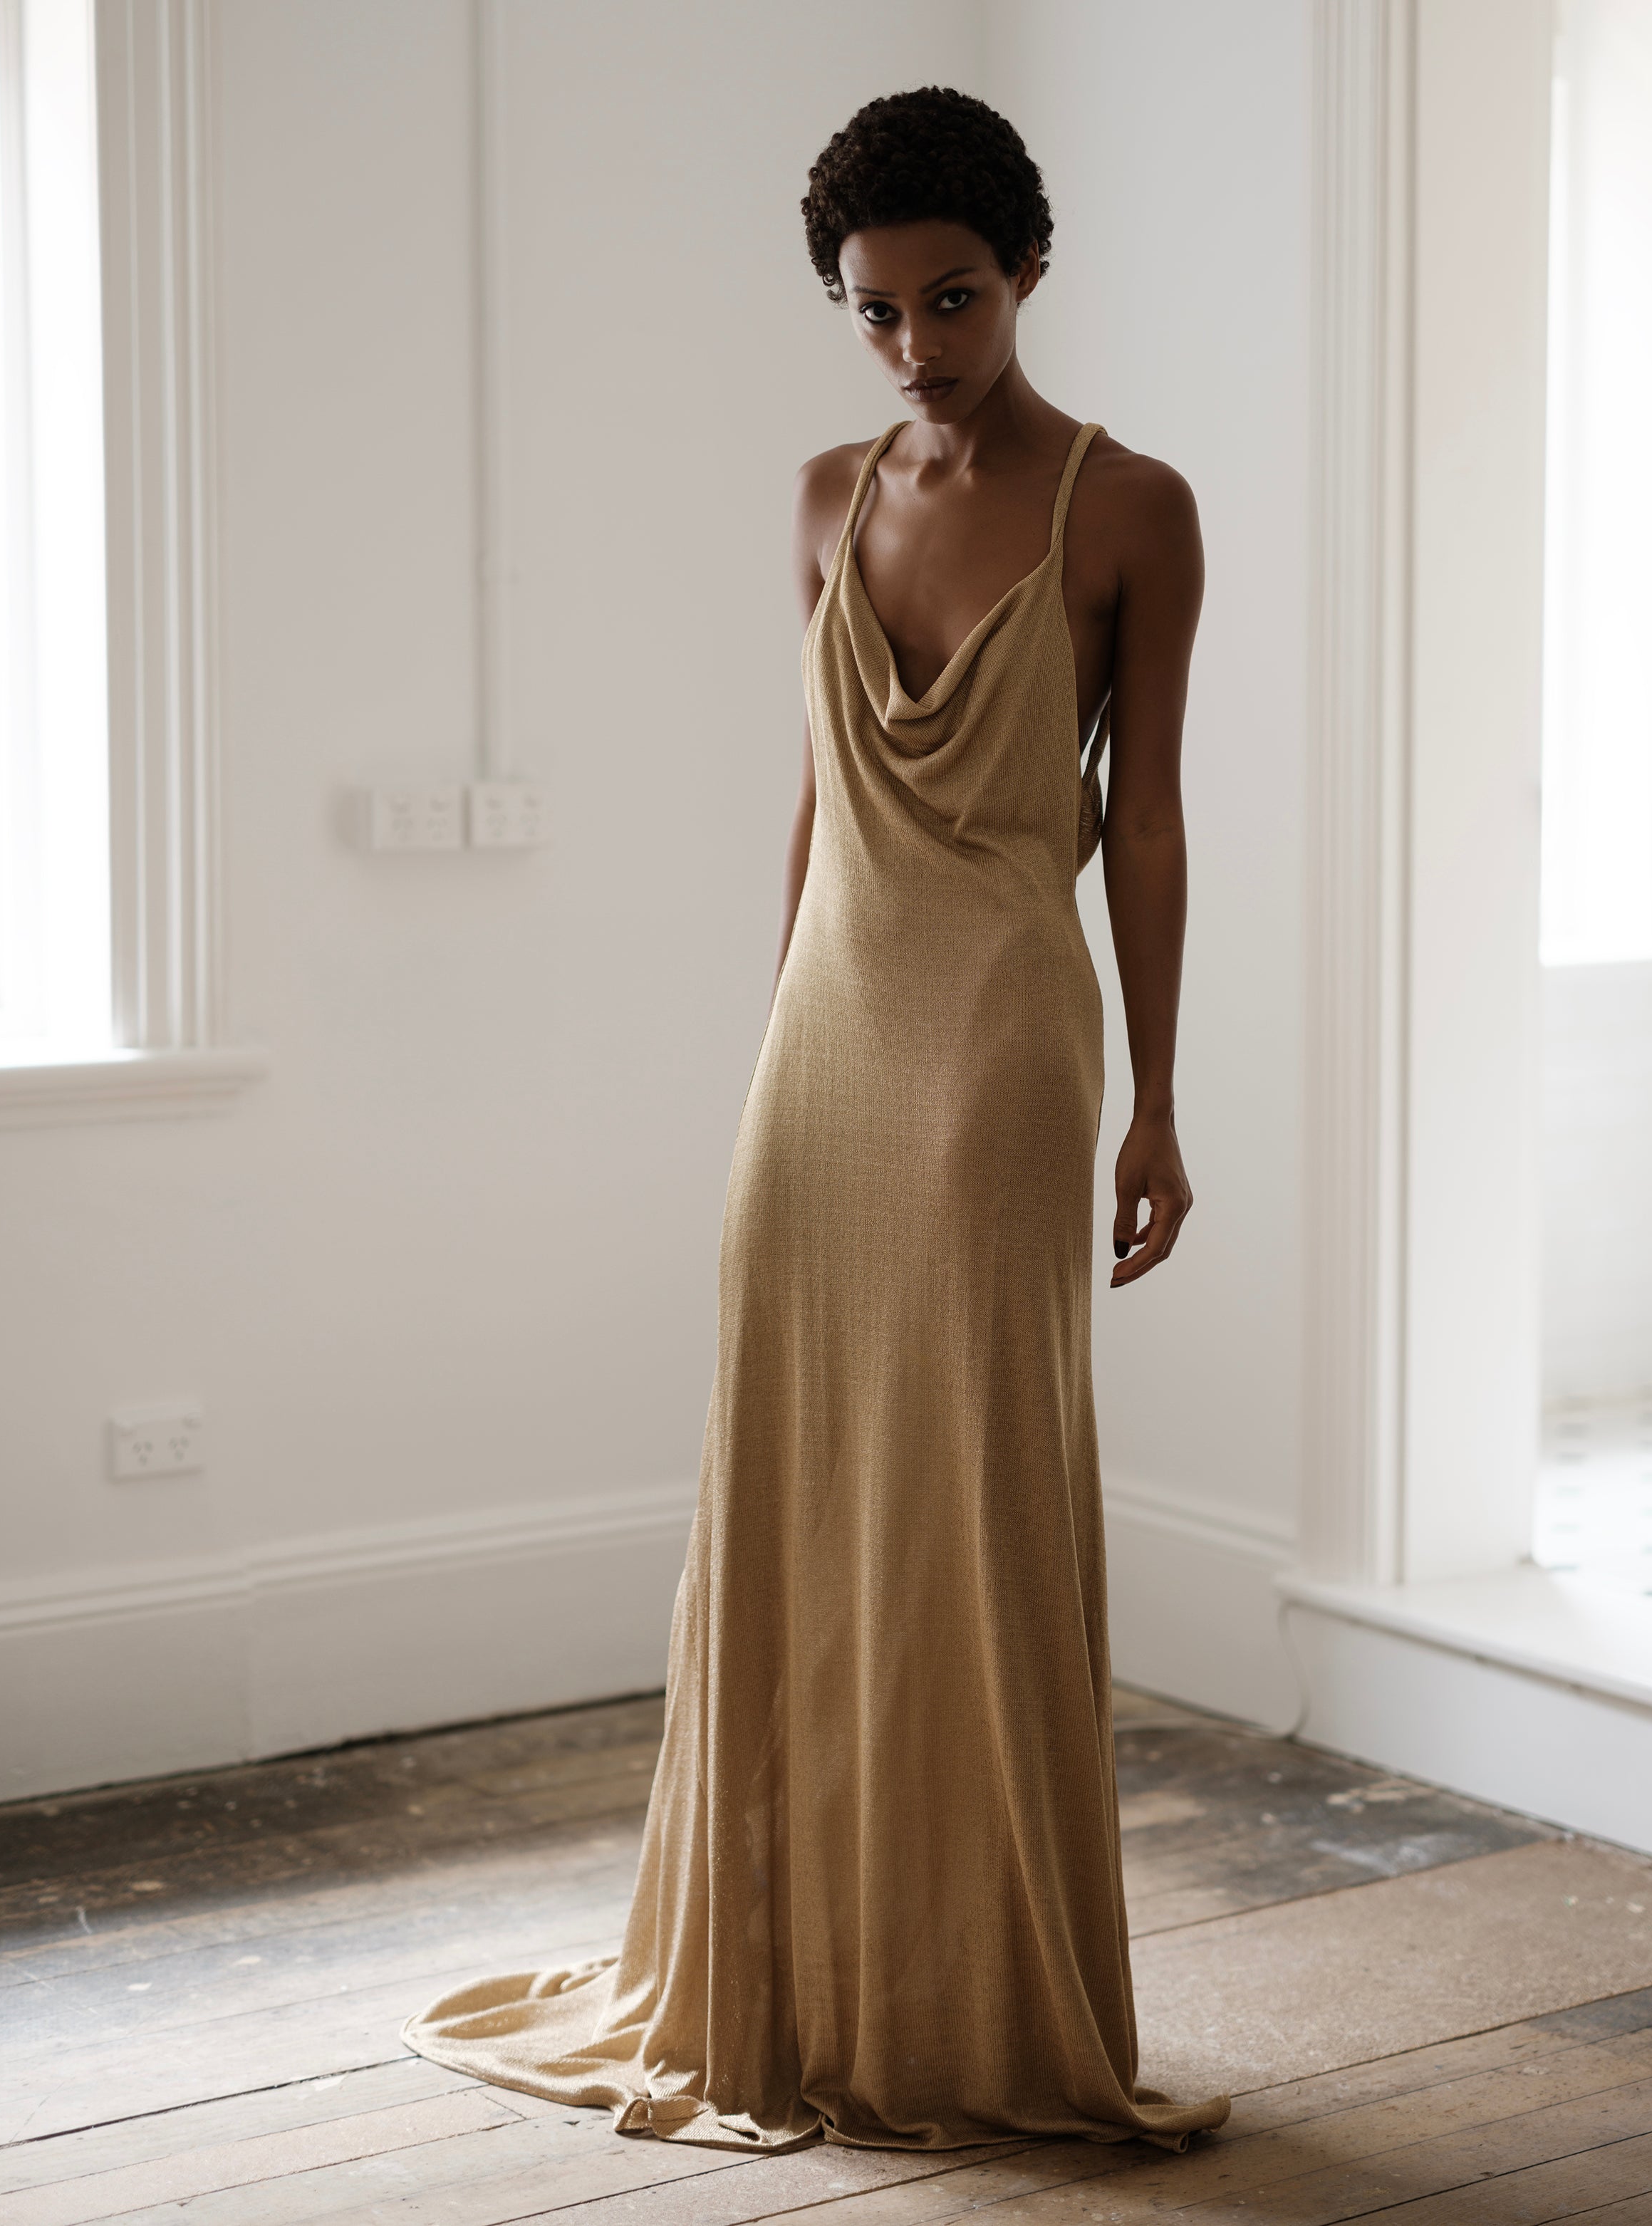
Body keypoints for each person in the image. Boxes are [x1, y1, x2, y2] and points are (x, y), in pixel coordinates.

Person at [403, 84, 1229, 2156]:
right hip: (831, 1045)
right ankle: (787, 1967)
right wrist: (780, 1027)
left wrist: (1159, 1097)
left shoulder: (1132, 510)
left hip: (1006, 1042)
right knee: (790, 1490)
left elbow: (1144, 827)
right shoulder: (815, 498)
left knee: (960, 1493)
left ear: (1026, 272)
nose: (912, 347)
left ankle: (964, 1989)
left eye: (948, 299)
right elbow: (814, 800)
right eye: (871, 312)